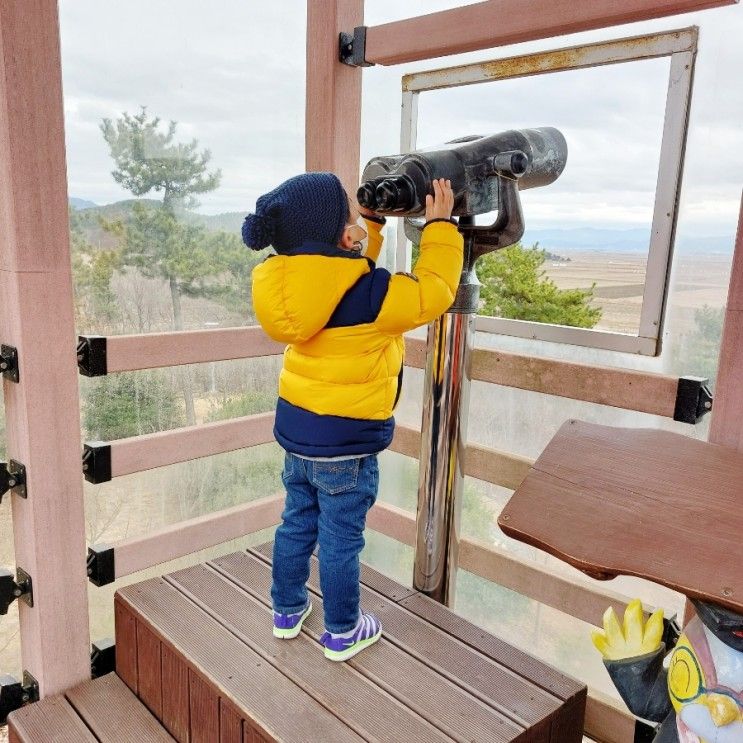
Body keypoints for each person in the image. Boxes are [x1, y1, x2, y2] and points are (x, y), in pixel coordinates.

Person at [243, 171, 463, 661]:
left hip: (298, 437)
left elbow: (339, 274)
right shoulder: (374, 296)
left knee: (296, 524)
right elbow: (435, 290)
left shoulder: (297, 292)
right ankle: (343, 630)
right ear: (345, 238)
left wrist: (370, 223)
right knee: (341, 540)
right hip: (347, 447)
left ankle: (286, 610)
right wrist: (441, 229)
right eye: (352, 222)